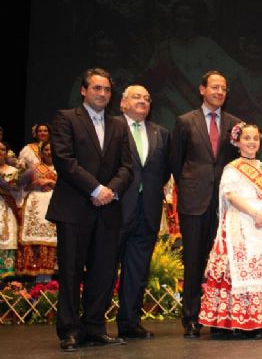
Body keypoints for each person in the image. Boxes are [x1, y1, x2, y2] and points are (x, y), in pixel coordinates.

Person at [45, 68, 133, 352]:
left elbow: (127, 167)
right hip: (74, 209)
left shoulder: (119, 125)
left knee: (104, 271)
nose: (102, 94)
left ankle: (95, 327)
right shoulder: (66, 118)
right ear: (84, 90)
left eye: (107, 90)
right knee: (71, 270)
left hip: (108, 209)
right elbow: (64, 160)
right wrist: (96, 189)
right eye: (97, 88)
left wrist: (110, 191)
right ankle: (70, 330)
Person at [199, 123, 262, 338]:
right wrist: (255, 213)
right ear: (237, 142)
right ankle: (242, 321)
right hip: (241, 222)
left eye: (255, 138)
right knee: (240, 270)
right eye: (247, 138)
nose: (251, 142)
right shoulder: (232, 168)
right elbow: (231, 195)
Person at [169, 70, 242, 338]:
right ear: (202, 89)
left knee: (222, 263)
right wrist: (191, 185)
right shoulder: (185, 121)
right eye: (214, 87)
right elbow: (176, 162)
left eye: (223, 88)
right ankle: (191, 318)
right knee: (194, 261)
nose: (219, 92)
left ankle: (219, 317)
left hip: (226, 204)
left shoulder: (236, 124)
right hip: (194, 202)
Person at [113, 85, 170, 339]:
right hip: (114, 208)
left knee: (137, 269)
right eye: (136, 97)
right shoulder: (111, 127)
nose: (143, 101)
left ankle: (129, 322)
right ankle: (92, 324)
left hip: (147, 209)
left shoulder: (161, 133)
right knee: (104, 267)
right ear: (122, 103)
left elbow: (163, 170)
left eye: (147, 98)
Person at [145, 0, 241, 131]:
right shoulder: (163, 49)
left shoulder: (209, 47)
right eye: (178, 17)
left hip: (199, 112)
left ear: (196, 20)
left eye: (187, 17)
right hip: (169, 113)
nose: (182, 21)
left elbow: (235, 74)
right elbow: (151, 81)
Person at [16, 140, 57, 280]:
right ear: (41, 153)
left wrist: (50, 182)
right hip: (37, 207)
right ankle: (39, 280)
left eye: (51, 149)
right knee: (38, 241)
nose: (49, 152)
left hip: (57, 207)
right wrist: (36, 184)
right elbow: (22, 186)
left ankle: (54, 282)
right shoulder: (34, 168)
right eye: (46, 150)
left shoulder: (64, 167)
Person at [0, 140, 30, 279]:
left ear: (7, 153)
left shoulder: (14, 172)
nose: (0, 152)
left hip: (8, 210)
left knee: (9, 237)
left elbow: (19, 193)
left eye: (2, 149)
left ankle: (7, 283)